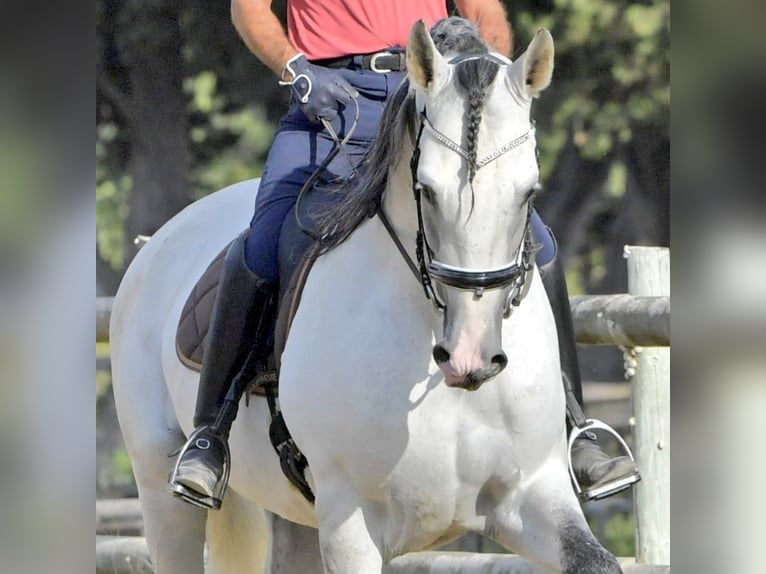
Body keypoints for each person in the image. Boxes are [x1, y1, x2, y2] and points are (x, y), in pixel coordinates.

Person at [168, 0, 639, 510]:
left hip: (436, 92)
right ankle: (210, 435)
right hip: (332, 99)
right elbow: (249, 9)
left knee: (540, 244)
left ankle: (576, 427)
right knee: (261, 245)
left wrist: (496, 84)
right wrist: (297, 71)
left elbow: (486, 15)